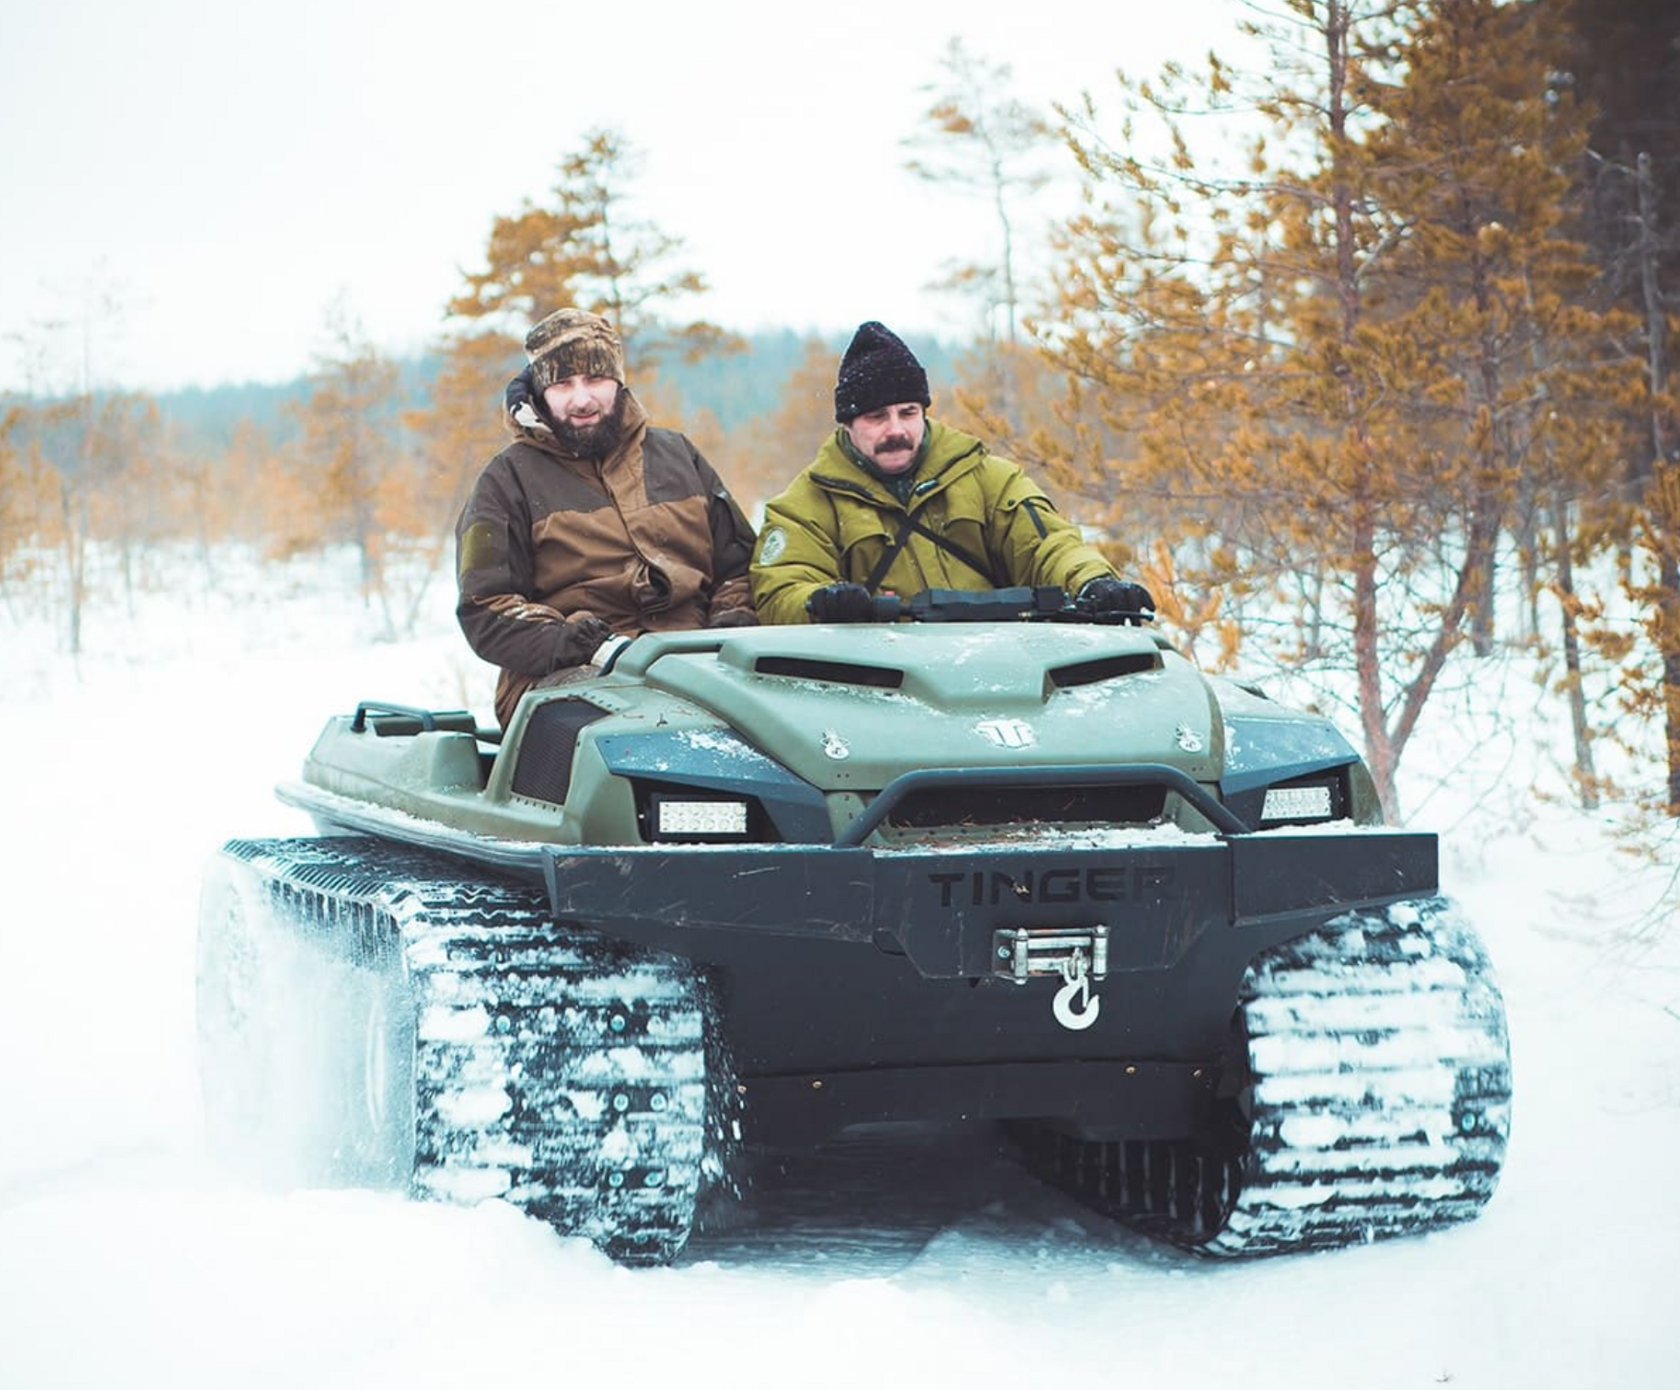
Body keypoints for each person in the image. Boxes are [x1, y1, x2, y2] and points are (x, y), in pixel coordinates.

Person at [456, 308, 757, 728]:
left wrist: (731, 621)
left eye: (595, 379)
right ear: (541, 392)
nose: (582, 399)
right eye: (563, 383)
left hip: (699, 661)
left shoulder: (678, 456)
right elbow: (484, 606)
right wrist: (573, 642)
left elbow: (739, 564)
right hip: (567, 674)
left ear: (617, 381)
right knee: (636, 731)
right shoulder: (506, 480)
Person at [750, 321, 1154, 625]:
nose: (896, 430)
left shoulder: (988, 478)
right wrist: (822, 603)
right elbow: (780, 590)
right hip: (874, 685)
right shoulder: (804, 506)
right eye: (876, 417)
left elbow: (1051, 547)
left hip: (1001, 666)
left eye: (908, 413)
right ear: (847, 425)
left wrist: (1093, 582)